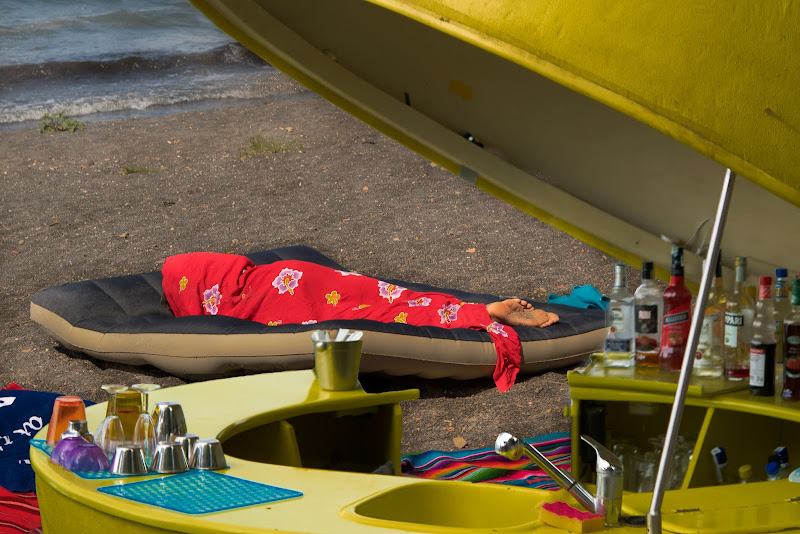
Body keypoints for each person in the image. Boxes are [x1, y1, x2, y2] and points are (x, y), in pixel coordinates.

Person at [161, 253, 559, 391]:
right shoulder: (223, 275)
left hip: (286, 295)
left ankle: (475, 314)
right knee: (384, 296)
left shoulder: (214, 304)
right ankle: (468, 308)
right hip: (293, 274)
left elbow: (214, 328)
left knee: (378, 313)